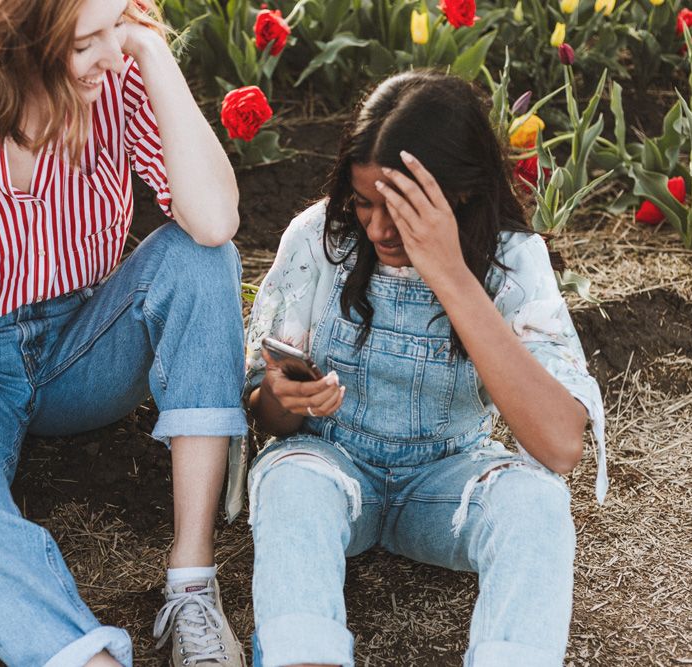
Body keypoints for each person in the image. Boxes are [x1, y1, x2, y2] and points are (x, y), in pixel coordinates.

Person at [0, 0, 248, 664]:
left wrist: (151, 52)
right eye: (88, 40)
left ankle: (192, 582)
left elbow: (212, 220)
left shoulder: (116, 79)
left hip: (84, 340)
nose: (112, 54)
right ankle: (80, 653)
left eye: (117, 28)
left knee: (204, 258)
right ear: (17, 42)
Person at [244, 70, 608, 667]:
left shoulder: (510, 261)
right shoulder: (319, 239)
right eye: (365, 203)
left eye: (401, 211)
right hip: (333, 465)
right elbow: (266, 413)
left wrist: (449, 272)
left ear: (457, 194)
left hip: (449, 477)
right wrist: (284, 399)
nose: (379, 229)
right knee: (290, 482)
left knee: (537, 504)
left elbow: (561, 446)